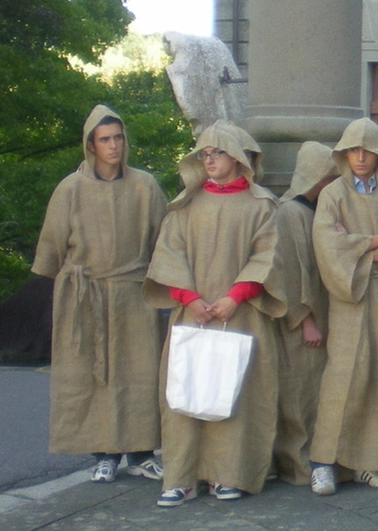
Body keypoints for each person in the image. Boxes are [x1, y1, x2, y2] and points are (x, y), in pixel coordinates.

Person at [144, 121, 285, 506]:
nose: (209, 159)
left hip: (241, 316)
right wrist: (188, 297)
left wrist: (236, 296)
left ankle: (229, 474)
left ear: (237, 157)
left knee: (236, 397)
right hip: (194, 317)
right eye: (204, 153)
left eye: (216, 152)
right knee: (184, 396)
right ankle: (181, 477)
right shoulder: (185, 205)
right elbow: (168, 255)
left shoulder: (261, 205)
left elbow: (269, 258)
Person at [32, 105, 168, 483]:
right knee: (92, 378)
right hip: (84, 295)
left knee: (140, 374)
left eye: (118, 137)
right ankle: (104, 454)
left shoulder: (145, 186)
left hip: (133, 294)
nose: (113, 145)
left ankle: (142, 452)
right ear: (90, 145)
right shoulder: (70, 189)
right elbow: (51, 250)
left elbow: (165, 241)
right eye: (104, 139)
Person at [310, 118, 378, 495]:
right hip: (350, 300)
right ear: (342, 154)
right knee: (344, 379)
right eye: (352, 150)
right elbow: (327, 248)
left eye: (367, 150)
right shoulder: (332, 196)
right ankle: (324, 462)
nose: (360, 157)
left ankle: (371, 462)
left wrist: (354, 244)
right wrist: (374, 241)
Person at [270, 141, 338, 486]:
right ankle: (298, 464)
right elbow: (289, 272)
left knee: (318, 390)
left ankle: (320, 459)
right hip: (301, 321)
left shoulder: (313, 211)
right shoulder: (289, 213)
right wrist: (305, 320)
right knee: (300, 391)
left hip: (323, 313)